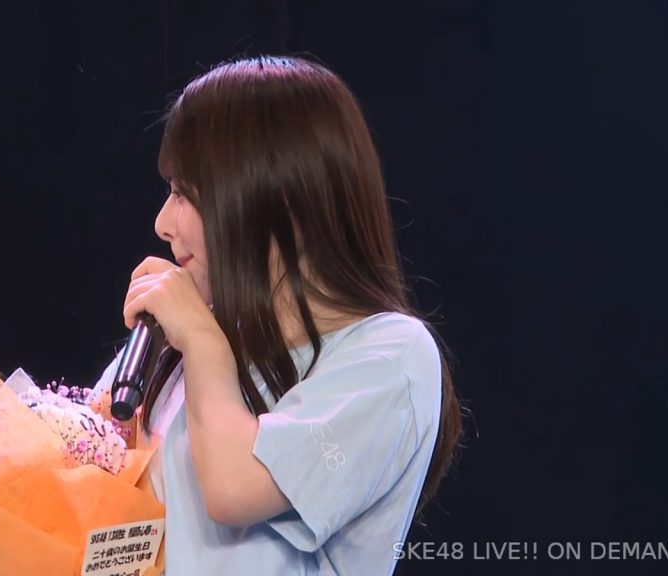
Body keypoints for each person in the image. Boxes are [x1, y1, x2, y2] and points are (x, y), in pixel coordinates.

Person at [89, 54, 463, 576]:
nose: (162, 223)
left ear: (276, 197)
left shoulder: (391, 356)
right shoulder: (185, 334)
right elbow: (92, 492)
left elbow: (234, 487)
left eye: (185, 194)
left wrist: (201, 340)